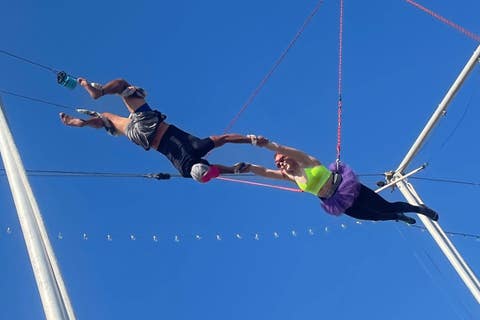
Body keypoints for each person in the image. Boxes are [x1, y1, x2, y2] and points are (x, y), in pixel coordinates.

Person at [59, 77, 262, 183]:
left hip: (150, 125)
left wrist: (250, 139)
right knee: (106, 118)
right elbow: (214, 171)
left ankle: (99, 92)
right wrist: (233, 169)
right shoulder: (183, 171)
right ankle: (83, 123)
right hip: (140, 139)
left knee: (122, 85)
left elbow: (224, 140)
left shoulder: (199, 148)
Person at [239, 136, 439, 224]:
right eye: (278, 164)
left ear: (289, 157)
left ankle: (419, 209)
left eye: (281, 160)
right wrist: (247, 167)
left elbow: (283, 149)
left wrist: (266, 145)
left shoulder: (307, 161)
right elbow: (264, 172)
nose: (280, 164)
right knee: (374, 217)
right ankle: (398, 217)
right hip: (337, 202)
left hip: (349, 189)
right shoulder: (291, 177)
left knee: (385, 207)